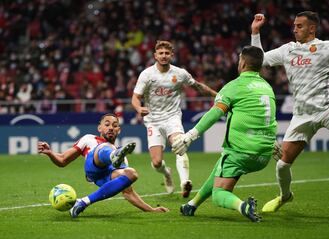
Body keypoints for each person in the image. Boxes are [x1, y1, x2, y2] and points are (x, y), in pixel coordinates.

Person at [250, 11, 329, 213]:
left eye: (299, 26)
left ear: (312, 28)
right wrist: (255, 33)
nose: (294, 29)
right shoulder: (287, 50)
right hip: (301, 115)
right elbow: (260, 60)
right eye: (294, 25)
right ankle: (285, 196)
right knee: (282, 166)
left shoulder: (327, 47)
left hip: (328, 108)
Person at [172, 46, 277, 222]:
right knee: (220, 167)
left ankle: (243, 206)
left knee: (219, 194)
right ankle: (192, 205)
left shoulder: (234, 86)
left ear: (242, 62)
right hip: (264, 155)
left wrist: (190, 135)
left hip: (241, 151)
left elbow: (215, 113)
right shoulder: (267, 87)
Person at [38, 113, 169, 218]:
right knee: (104, 147)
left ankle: (82, 202)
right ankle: (112, 155)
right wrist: (50, 153)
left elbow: (128, 193)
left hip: (105, 178)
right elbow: (62, 160)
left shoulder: (123, 160)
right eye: (107, 124)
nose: (111, 127)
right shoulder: (89, 139)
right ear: (99, 128)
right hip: (93, 167)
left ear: (119, 130)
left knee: (132, 173)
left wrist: (151, 210)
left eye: (115, 125)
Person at [132, 40, 217, 197]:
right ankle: (167, 173)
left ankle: (185, 182)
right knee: (157, 163)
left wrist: (218, 95)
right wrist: (138, 108)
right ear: (155, 56)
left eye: (166, 53)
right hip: (153, 121)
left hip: (172, 117)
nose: (164, 56)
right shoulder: (147, 74)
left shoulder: (180, 73)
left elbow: (198, 86)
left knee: (179, 145)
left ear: (171, 55)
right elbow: (135, 97)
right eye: (161, 53)